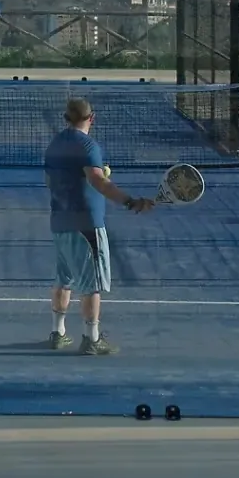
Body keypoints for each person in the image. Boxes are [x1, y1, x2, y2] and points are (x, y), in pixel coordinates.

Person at [43, 98, 153, 355]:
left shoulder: (54, 144)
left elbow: (50, 181)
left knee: (63, 279)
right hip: (86, 224)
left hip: (59, 222)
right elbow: (98, 182)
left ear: (65, 118)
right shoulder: (88, 146)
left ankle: (57, 333)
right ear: (92, 118)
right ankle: (91, 339)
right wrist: (130, 202)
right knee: (90, 284)